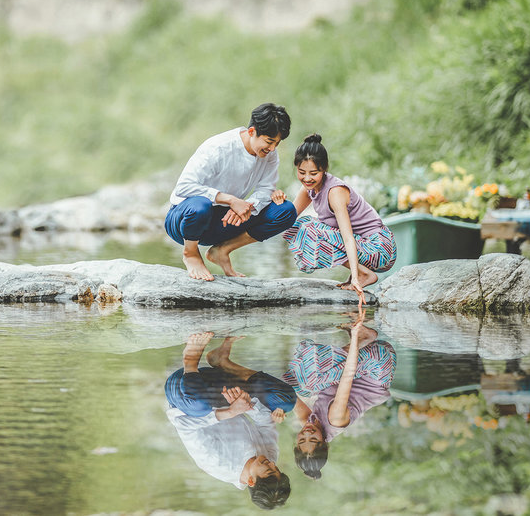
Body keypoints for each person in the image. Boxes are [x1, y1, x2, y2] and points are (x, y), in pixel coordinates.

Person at [165, 103, 297, 281]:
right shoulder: (218, 147)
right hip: (185, 219)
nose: (272, 149)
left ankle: (222, 250)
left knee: (286, 211)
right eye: (269, 141)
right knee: (201, 205)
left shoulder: (270, 156)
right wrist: (230, 200)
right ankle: (190, 253)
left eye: (277, 143)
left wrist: (247, 207)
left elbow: (266, 189)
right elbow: (184, 186)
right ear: (251, 131)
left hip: (223, 221)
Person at [165, 333, 292, 509]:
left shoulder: (218, 464)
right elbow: (265, 423)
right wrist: (247, 403)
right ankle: (221, 361)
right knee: (285, 401)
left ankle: (190, 360)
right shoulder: (269, 458)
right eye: (277, 468)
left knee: (199, 406)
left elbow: (183, 424)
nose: (271, 463)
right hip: (221, 387)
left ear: (250, 481)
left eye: (269, 470)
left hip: (184, 392)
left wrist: (230, 411)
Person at [282, 309, 396, 480]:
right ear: (325, 444)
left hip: (361, 369)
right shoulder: (335, 419)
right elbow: (347, 375)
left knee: (297, 384)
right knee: (310, 380)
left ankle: (358, 336)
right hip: (379, 363)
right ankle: (365, 337)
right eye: (313, 440)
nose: (307, 433)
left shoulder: (309, 423)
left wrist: (279, 406)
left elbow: (286, 390)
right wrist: (356, 340)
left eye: (301, 440)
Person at [283, 134, 396, 302]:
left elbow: (348, 237)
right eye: (301, 172)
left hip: (380, 248)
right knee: (296, 225)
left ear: (324, 169)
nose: (307, 178)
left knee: (308, 227)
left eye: (313, 173)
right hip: (364, 246)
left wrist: (356, 278)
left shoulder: (335, 192)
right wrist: (277, 202)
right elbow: (286, 219)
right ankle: (360, 273)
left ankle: (365, 274)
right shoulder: (309, 188)